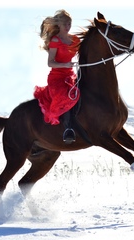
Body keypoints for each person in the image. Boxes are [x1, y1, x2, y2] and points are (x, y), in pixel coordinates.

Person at [34, 10, 80, 144]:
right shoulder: (56, 40)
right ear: (59, 25)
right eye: (65, 24)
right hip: (57, 77)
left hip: (70, 75)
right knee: (64, 97)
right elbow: (50, 62)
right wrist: (66, 64)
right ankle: (68, 129)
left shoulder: (75, 40)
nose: (68, 26)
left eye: (69, 24)